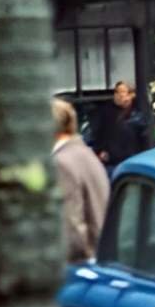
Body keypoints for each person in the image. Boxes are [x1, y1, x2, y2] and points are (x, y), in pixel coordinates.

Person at [52, 98, 109, 264]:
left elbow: (72, 222)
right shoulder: (85, 153)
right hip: (98, 253)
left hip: (81, 261)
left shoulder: (62, 162)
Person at [93, 79, 150, 169]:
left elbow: (145, 141)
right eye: (116, 92)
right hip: (110, 162)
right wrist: (100, 151)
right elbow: (99, 135)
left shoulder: (138, 116)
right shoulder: (107, 113)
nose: (118, 95)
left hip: (131, 162)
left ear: (131, 95)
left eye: (122, 92)